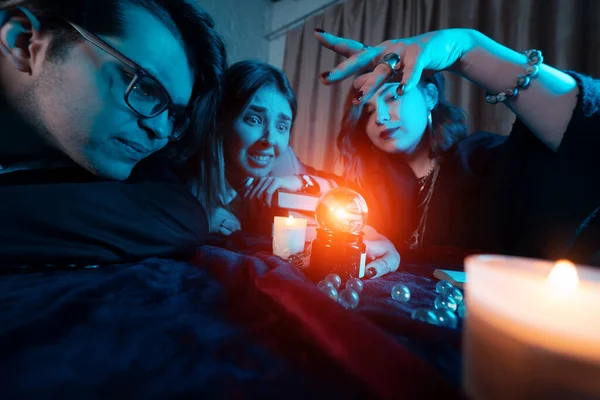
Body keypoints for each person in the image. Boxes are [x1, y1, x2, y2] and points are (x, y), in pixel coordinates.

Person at [315, 28, 600, 264]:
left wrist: (468, 49)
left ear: (429, 97)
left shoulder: (481, 161)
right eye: (367, 111)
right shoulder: (372, 189)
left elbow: (587, 134)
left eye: (392, 97)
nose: (381, 117)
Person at [0, 0, 227, 266]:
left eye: (174, 115)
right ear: (23, 41)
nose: (161, 130)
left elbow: (182, 214)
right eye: (143, 87)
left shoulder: (135, 169)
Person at [191, 60, 400, 278]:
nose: (270, 139)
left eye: (282, 127)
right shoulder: (188, 167)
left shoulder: (283, 162)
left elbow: (338, 189)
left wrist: (301, 181)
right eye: (253, 119)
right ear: (222, 122)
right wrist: (198, 217)